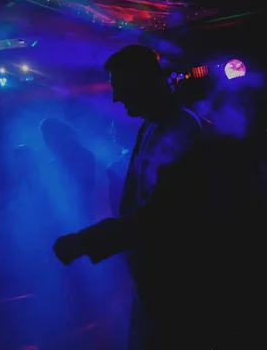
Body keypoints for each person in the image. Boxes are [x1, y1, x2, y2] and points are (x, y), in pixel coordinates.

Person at [52, 45, 230, 349]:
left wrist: (86, 241)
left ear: (142, 80)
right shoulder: (153, 126)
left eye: (119, 86)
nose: (115, 97)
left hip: (178, 290)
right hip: (159, 288)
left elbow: (161, 213)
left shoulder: (178, 128)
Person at [106, 120, 135, 217]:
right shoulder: (123, 154)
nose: (111, 132)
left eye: (114, 129)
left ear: (125, 130)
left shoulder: (132, 155)